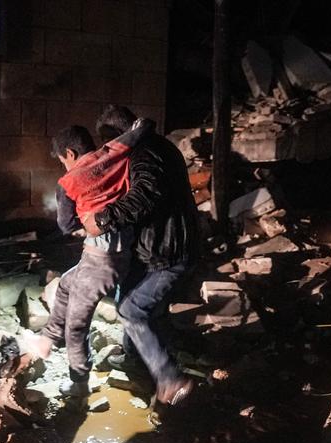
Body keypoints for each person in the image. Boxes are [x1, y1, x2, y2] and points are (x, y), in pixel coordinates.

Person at [23, 121, 154, 397]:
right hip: (120, 254)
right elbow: (137, 133)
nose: (64, 167)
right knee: (66, 284)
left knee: (76, 325)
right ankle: (47, 338)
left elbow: (66, 225)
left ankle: (79, 381)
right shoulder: (111, 155)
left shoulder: (69, 181)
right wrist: (141, 125)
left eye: (62, 162)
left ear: (69, 154)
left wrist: (86, 225)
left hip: (101, 260)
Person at [81, 105, 200, 406]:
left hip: (168, 251)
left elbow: (146, 193)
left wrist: (104, 219)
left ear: (119, 138)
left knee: (132, 311)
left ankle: (171, 380)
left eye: (108, 144)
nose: (108, 152)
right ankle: (134, 359)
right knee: (129, 298)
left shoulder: (144, 154)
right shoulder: (158, 147)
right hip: (156, 246)